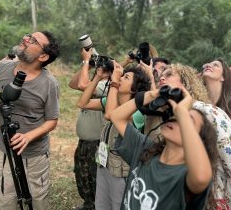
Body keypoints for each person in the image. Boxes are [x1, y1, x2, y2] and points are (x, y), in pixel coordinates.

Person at [147, 63, 231, 209]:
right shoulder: (170, 114)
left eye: (169, 75)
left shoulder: (207, 111)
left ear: (185, 82)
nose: (161, 78)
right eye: (160, 76)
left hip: (222, 198)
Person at [0, 31, 60, 210]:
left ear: (43, 56)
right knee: (5, 198)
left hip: (34, 155)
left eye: (32, 40)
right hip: (4, 149)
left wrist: (28, 137)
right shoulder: (3, 68)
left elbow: (52, 121)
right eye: (28, 35)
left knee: (37, 200)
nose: (25, 39)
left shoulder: (49, 84)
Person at [109, 86, 218, 209]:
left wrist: (182, 113)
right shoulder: (146, 149)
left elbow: (201, 178)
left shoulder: (185, 175)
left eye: (188, 120)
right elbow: (116, 117)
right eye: (174, 114)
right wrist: (152, 95)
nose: (175, 118)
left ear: (199, 140)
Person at [77, 61, 151, 210]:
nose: (121, 77)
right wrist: (98, 77)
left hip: (121, 169)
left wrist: (114, 83)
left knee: (118, 205)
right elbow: (82, 103)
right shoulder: (111, 100)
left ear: (133, 90)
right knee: (101, 204)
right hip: (103, 161)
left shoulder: (136, 113)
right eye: (122, 76)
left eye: (126, 77)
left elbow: (111, 114)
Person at [68, 48, 108, 210]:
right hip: (84, 141)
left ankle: (97, 205)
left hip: (97, 143)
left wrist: (86, 62)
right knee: (83, 176)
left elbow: (82, 84)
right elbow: (73, 84)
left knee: (96, 178)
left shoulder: (106, 85)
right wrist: (88, 66)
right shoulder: (95, 84)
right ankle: (88, 204)